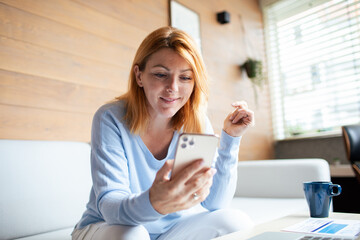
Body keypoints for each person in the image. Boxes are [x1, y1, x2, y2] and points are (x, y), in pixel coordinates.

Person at [72, 26, 255, 240]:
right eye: (160, 74)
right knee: (134, 234)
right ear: (139, 76)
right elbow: (110, 207)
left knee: (236, 222)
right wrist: (154, 203)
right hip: (109, 226)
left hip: (170, 231)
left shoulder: (196, 122)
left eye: (185, 78)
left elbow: (215, 203)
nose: (173, 88)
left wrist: (231, 138)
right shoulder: (110, 117)